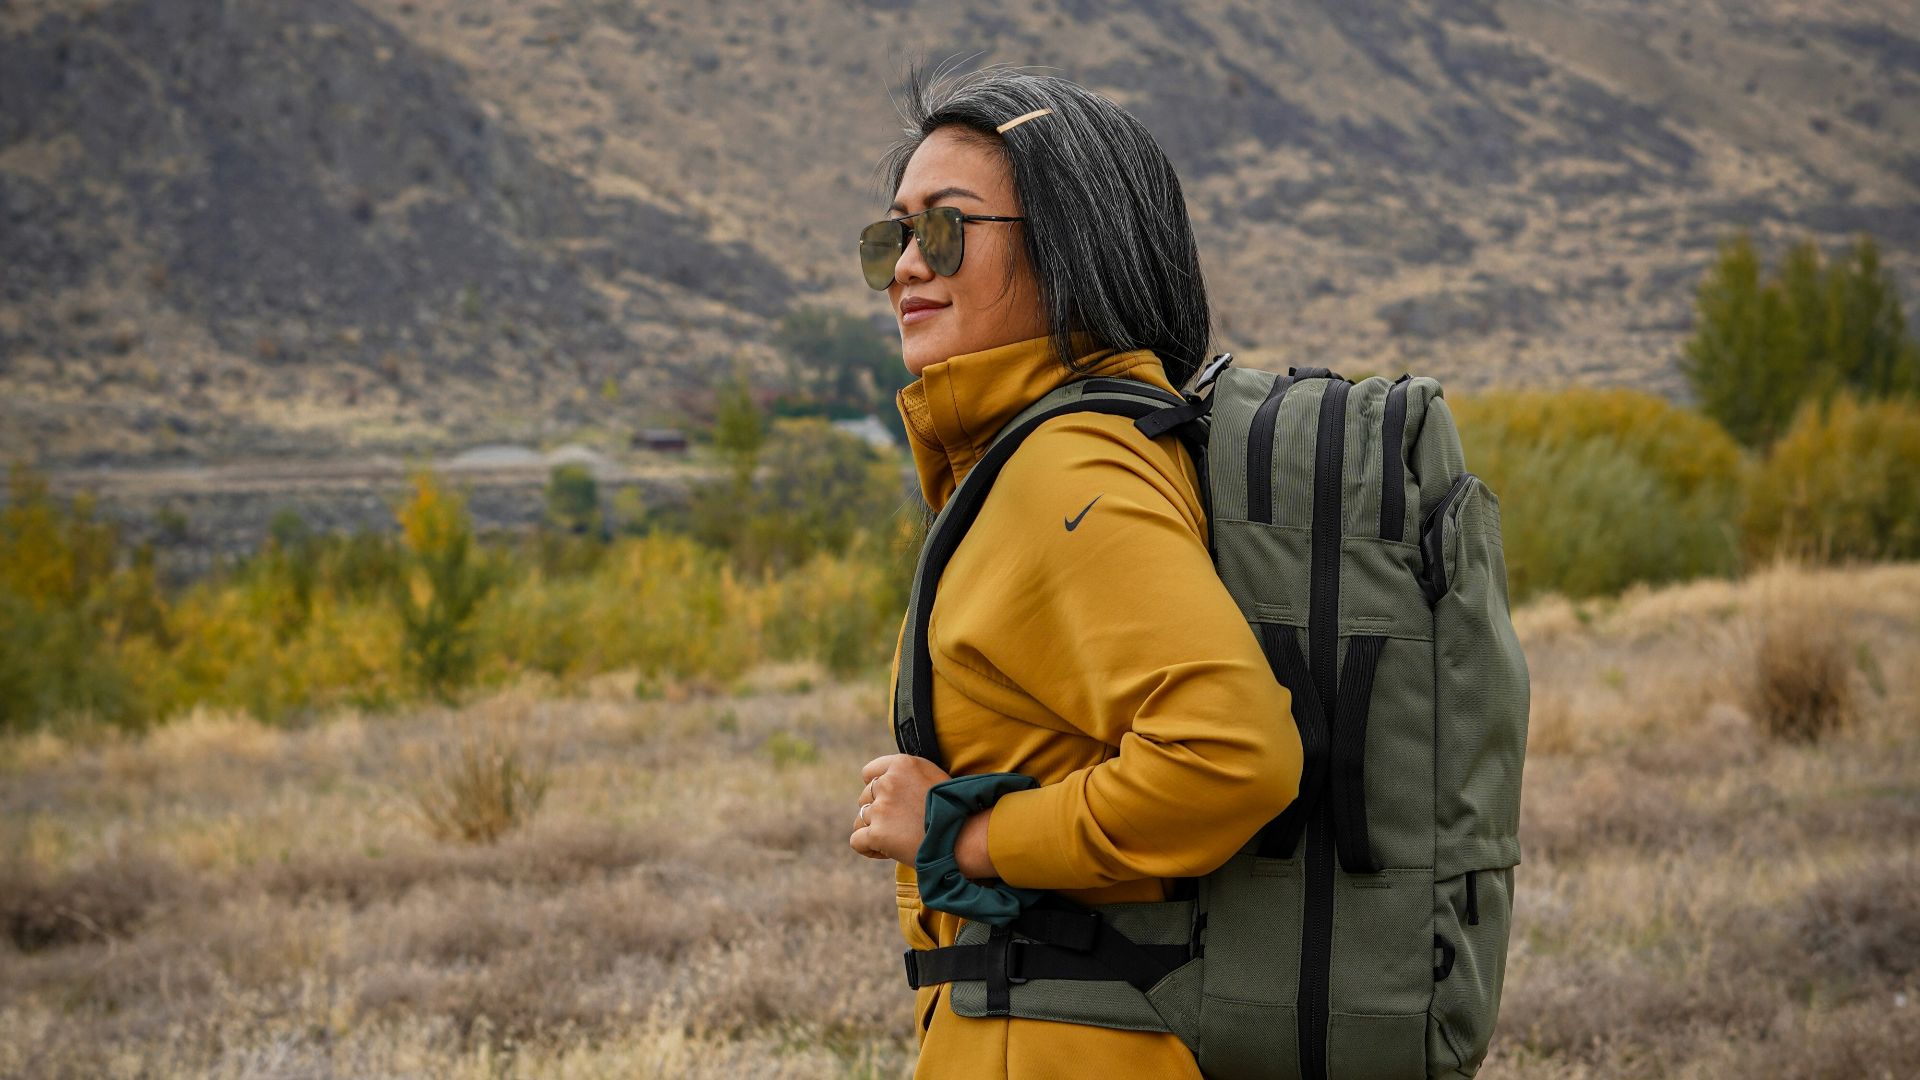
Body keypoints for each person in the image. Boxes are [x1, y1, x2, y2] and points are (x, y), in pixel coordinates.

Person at [846, 65, 1303, 1079]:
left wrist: (967, 835)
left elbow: (1232, 754)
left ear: (1069, 244)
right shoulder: (1061, 451)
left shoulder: (1068, 467)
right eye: (894, 236)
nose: (907, 266)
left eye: (947, 228)